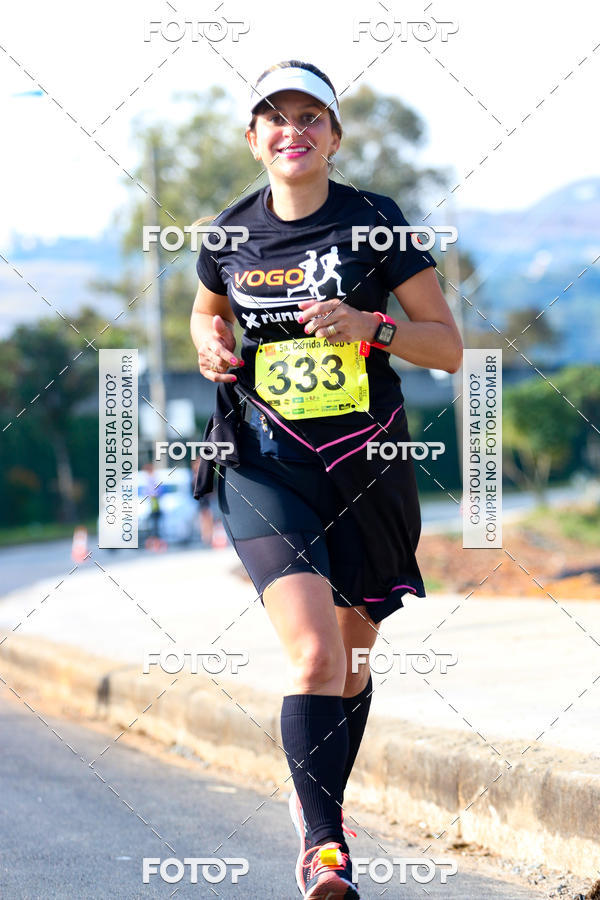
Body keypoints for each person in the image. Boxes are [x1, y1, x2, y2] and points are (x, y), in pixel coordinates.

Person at [190, 60, 463, 899]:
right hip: (265, 465)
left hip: (367, 467)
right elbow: (209, 309)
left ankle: (324, 815)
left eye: (311, 119)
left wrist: (369, 325)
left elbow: (448, 347)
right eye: (275, 118)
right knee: (312, 653)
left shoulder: (375, 223)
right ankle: (323, 844)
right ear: (253, 137)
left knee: (348, 660)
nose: (292, 132)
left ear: (334, 138)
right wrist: (207, 340)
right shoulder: (227, 234)